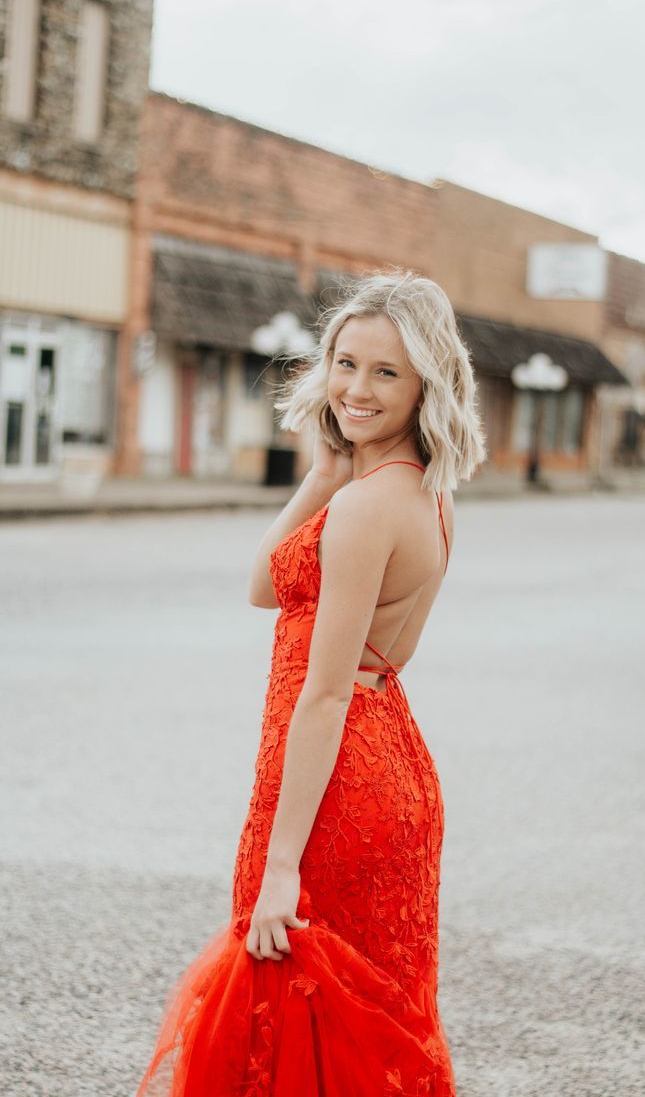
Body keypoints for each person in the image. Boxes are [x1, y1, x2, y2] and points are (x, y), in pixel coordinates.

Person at [135, 269, 486, 1097]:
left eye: (387, 372)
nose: (356, 388)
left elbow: (325, 693)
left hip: (335, 784)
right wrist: (324, 476)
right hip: (383, 761)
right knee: (366, 1016)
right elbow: (266, 585)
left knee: (295, 1009)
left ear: (426, 384)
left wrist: (282, 864)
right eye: (345, 362)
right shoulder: (409, 492)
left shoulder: (372, 510)